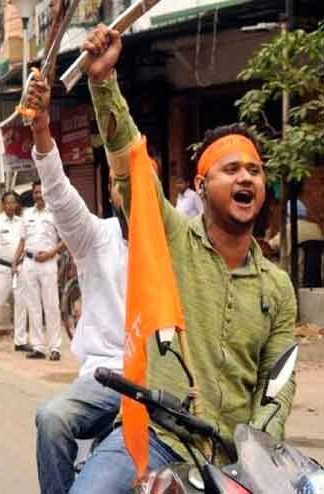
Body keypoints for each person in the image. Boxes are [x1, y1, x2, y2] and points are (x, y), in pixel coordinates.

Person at [70, 24, 297, 493]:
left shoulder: (278, 288)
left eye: (254, 170)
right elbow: (131, 161)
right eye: (231, 169)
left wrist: (256, 459)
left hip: (237, 460)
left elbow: (278, 386)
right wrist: (103, 83)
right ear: (200, 187)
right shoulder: (171, 238)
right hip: (159, 438)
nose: (246, 178)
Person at [22, 72, 126, 493]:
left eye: (145, 179)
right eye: (123, 180)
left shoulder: (183, 244)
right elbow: (60, 193)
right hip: (105, 379)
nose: (133, 187)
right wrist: (42, 128)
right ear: (113, 190)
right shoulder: (97, 236)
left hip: (165, 391)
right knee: (51, 418)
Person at [13, 181, 66, 360]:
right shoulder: (27, 214)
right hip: (29, 263)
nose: (38, 195)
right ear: (33, 195)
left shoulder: (56, 214)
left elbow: (64, 239)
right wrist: (14, 262)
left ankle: (55, 348)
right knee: (32, 305)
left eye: (41, 192)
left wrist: (51, 253)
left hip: (48, 263)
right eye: (36, 192)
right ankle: (38, 347)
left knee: (51, 305)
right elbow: (22, 241)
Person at [0, 191, 29, 351]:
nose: (10, 206)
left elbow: (23, 243)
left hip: (20, 267)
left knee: (21, 303)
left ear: (16, 204)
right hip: (2, 268)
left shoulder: (21, 222)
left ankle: (20, 341)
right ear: (3, 205)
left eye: (13, 202)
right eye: (7, 203)